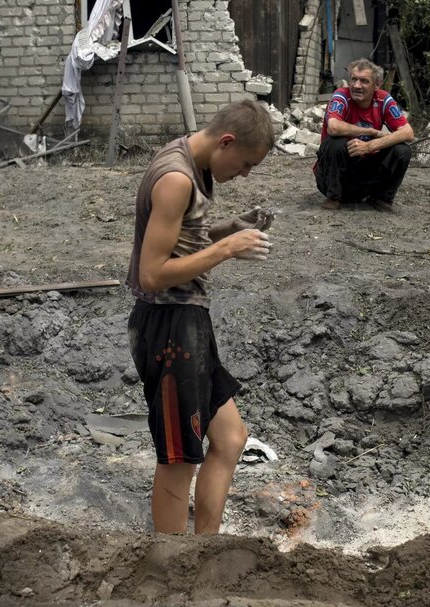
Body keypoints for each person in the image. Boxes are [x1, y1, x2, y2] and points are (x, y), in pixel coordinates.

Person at [127, 99, 276, 534]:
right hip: (168, 324)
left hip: (190, 321)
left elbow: (180, 237)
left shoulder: (188, 160)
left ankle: (203, 550)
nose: (245, 173)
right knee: (179, 458)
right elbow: (152, 274)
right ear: (226, 141)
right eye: (246, 163)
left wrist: (227, 228)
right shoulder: (175, 178)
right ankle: (171, 563)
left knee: (230, 439)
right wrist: (227, 249)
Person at [316, 58, 415, 211]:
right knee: (335, 142)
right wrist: (369, 132)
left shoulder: (383, 99)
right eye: (353, 79)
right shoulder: (341, 95)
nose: (356, 85)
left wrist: (370, 146)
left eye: (364, 81)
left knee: (402, 150)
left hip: (364, 177)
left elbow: (408, 133)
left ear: (377, 85)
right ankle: (334, 196)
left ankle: (381, 198)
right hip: (332, 177)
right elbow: (333, 127)